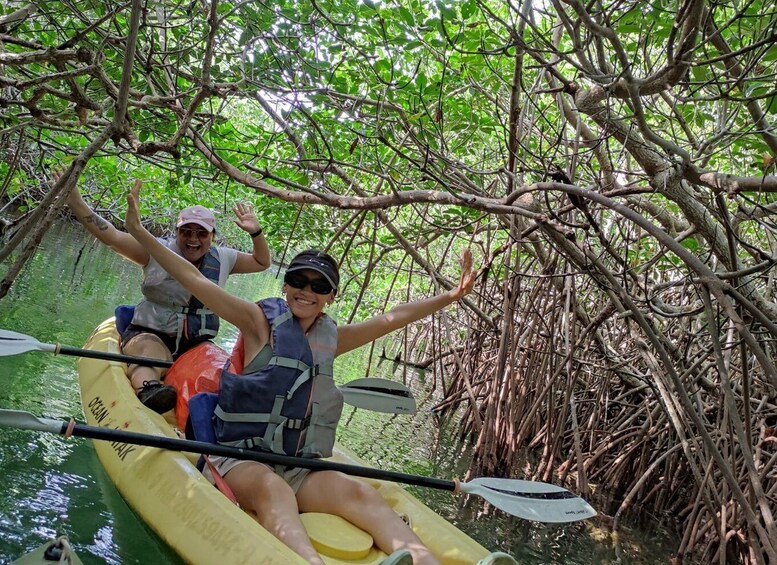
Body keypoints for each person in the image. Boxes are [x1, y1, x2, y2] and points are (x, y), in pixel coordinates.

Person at [125, 182, 476, 565]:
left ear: (330, 296)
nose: (305, 291)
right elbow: (194, 280)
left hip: (296, 464)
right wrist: (140, 233)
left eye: (318, 285)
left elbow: (392, 318)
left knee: (361, 495)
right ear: (286, 284)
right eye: (298, 280)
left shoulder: (332, 338)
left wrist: (450, 296)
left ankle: (427, 562)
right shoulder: (257, 322)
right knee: (272, 489)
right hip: (238, 460)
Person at [56, 169, 272, 414]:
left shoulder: (225, 258)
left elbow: (262, 262)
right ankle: (149, 390)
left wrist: (256, 233)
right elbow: (112, 237)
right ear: (177, 231)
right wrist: (75, 200)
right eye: (186, 232)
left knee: (218, 370)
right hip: (152, 331)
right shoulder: (156, 250)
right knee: (151, 355)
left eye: (201, 233)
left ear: (212, 236)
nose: (193, 239)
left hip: (196, 342)